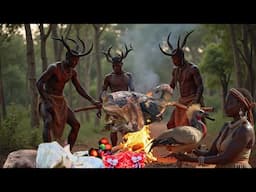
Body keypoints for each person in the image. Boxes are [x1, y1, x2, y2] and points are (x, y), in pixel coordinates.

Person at [36, 36, 101, 150]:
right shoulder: (54, 68)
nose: (75, 62)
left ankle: (68, 152)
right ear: (67, 57)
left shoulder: (72, 72)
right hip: (47, 98)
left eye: (77, 60)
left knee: (76, 125)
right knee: (48, 122)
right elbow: (39, 83)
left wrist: (93, 101)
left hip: (61, 101)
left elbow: (79, 88)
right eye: (73, 59)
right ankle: (48, 152)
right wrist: (46, 101)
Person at [173, 88, 256, 168]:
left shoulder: (245, 129)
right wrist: (190, 149)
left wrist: (191, 159)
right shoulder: (226, 126)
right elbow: (212, 153)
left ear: (240, 105)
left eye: (230, 102)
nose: (225, 106)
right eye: (226, 102)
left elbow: (225, 158)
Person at [159, 30, 205, 129]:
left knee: (192, 125)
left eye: (175, 59)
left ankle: (196, 143)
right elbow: (171, 87)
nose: (173, 61)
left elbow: (200, 87)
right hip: (182, 102)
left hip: (193, 100)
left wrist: (195, 102)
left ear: (182, 57)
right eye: (172, 59)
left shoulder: (193, 69)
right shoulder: (176, 71)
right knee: (171, 124)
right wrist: (161, 96)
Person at [98, 44, 135, 146]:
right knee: (113, 129)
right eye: (114, 66)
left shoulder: (128, 76)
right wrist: (99, 105)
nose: (116, 67)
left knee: (126, 129)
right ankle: (114, 148)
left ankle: (125, 148)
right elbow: (103, 91)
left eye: (118, 65)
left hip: (126, 106)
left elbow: (133, 91)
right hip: (113, 106)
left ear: (121, 64)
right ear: (112, 66)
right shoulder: (108, 77)